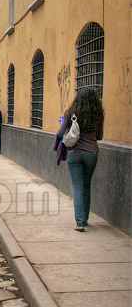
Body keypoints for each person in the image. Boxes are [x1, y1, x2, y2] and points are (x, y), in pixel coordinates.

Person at [57, 87, 104, 231]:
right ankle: (85, 217)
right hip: (91, 153)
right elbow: (99, 136)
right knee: (86, 185)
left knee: (77, 186)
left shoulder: (71, 113)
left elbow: (60, 133)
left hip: (74, 152)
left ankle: (80, 222)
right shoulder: (98, 114)